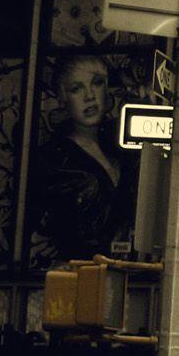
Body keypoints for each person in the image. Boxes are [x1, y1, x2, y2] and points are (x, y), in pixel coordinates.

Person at [29, 54, 137, 261]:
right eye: (76, 89)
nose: (89, 96)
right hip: (76, 275)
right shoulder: (52, 159)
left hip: (129, 274)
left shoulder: (122, 149)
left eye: (96, 84)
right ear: (62, 99)